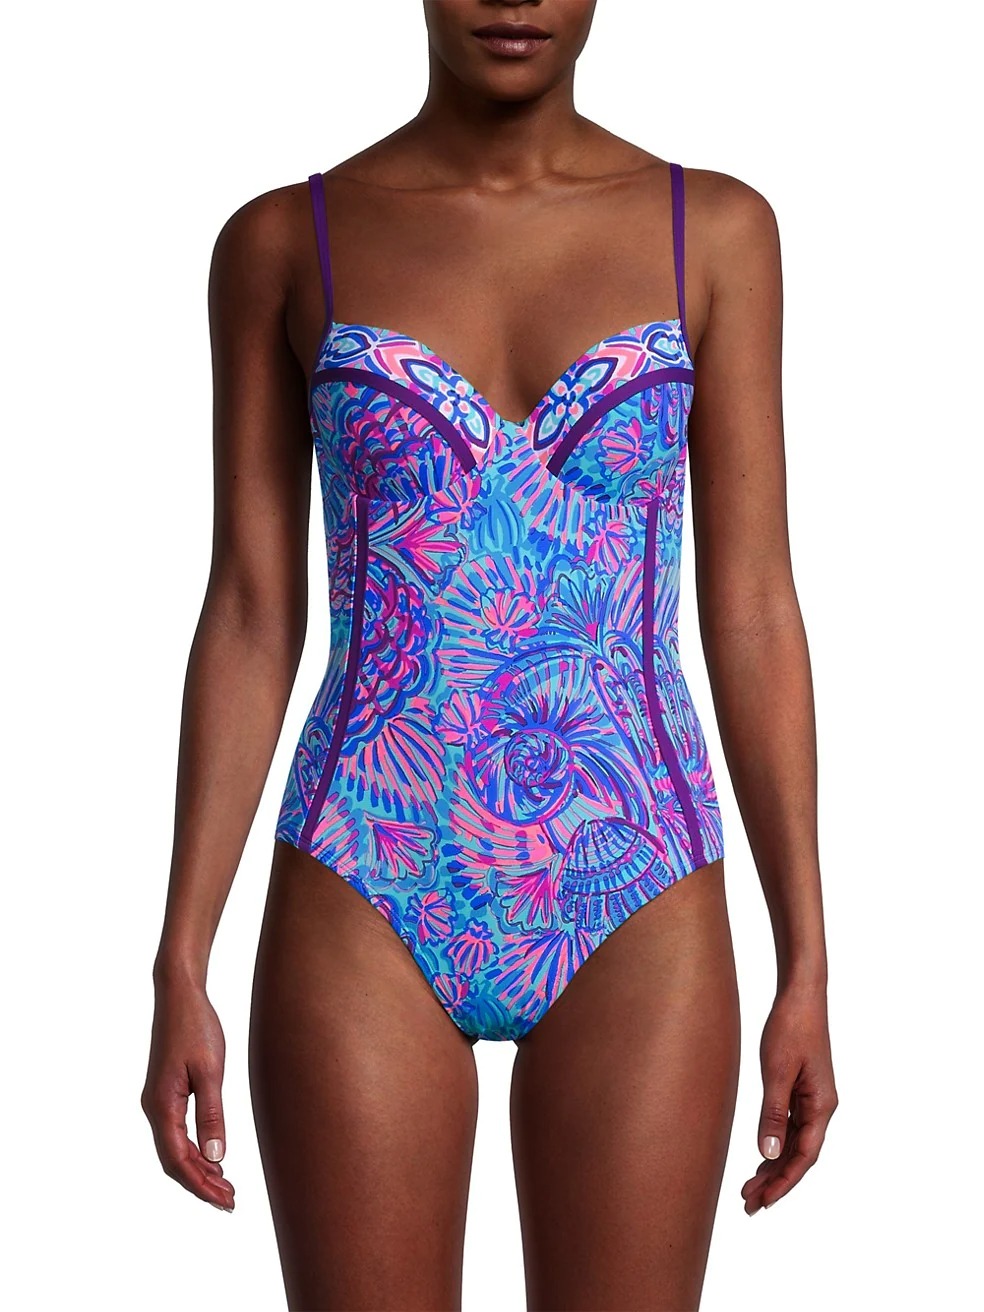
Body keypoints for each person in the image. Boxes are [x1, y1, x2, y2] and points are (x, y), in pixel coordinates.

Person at [141, 1, 838, 1307]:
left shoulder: (713, 231)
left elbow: (751, 602)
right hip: (364, 865)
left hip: (637, 874)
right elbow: (248, 609)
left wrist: (808, 956)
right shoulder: (286, 241)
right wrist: (181, 954)